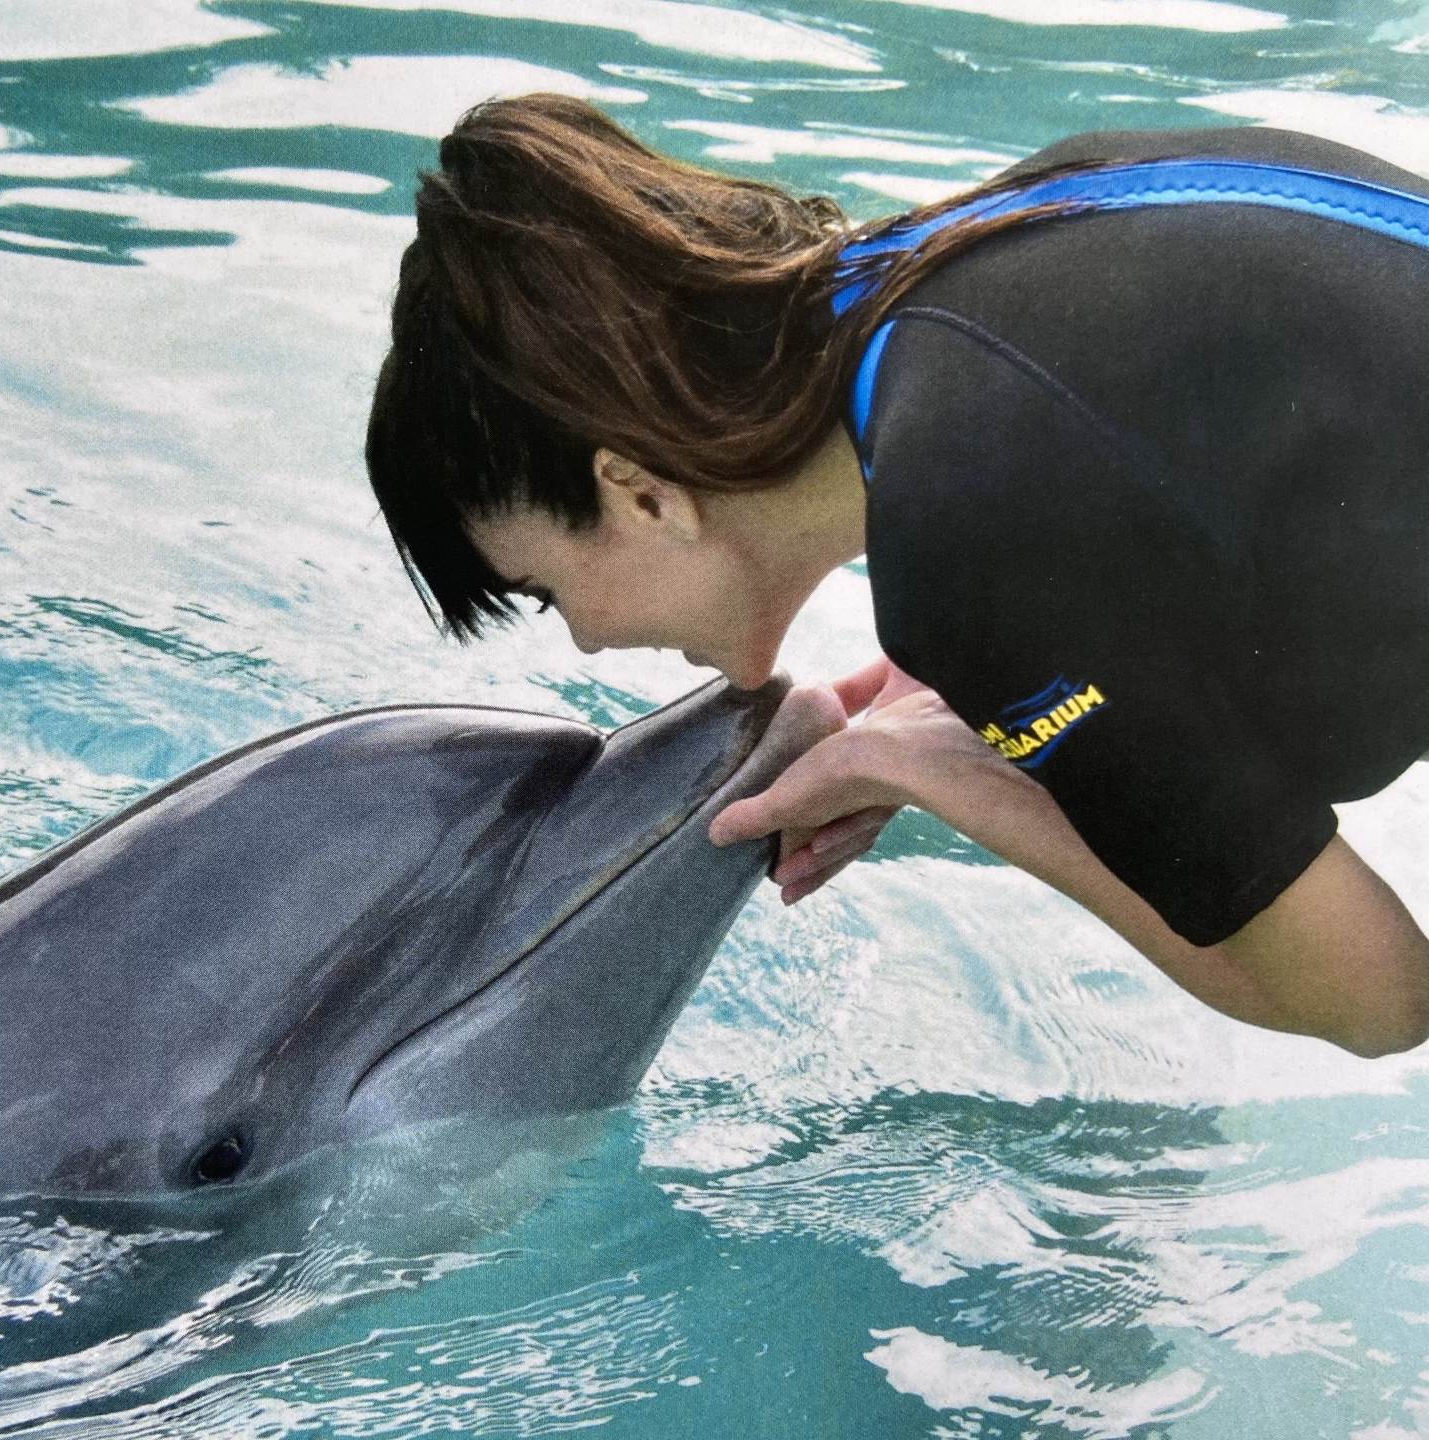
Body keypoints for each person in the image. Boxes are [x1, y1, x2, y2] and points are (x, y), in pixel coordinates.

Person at [364, 93, 1429, 1058]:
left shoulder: (975, 557)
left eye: (549, 592)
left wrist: (955, 777)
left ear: (640, 494)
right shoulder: (987, 249)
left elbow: (1373, 999)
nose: (587, 641)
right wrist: (1024, 702)